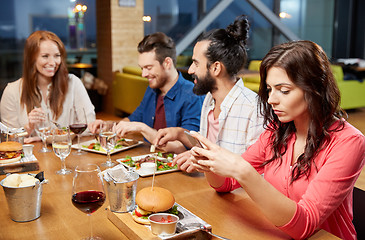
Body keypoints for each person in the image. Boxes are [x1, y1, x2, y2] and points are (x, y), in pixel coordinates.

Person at [187, 40, 365, 240]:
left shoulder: (349, 142)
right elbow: (225, 184)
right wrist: (208, 163)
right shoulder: (276, 132)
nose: (271, 99)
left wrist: (244, 172)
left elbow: (305, 224)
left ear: (315, 88)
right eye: (270, 89)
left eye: (284, 90)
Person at [153, 15, 264, 171]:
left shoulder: (254, 108)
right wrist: (180, 133)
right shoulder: (209, 99)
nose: (190, 70)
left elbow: (255, 170)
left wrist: (204, 161)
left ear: (216, 68)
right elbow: (208, 146)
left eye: (196, 63)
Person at [89, 32, 203, 148]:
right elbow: (132, 120)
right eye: (142, 68)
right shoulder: (152, 90)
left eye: (148, 68)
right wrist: (107, 126)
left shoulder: (193, 95)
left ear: (167, 63)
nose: (143, 74)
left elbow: (184, 148)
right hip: (145, 162)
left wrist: (143, 128)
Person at [0, 30, 95, 142]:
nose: (52, 62)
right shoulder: (12, 91)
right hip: (33, 158)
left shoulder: (73, 83)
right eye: (45, 56)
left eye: (57, 56)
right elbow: (8, 141)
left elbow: (89, 127)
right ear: (31, 59)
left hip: (68, 155)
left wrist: (42, 139)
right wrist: (28, 128)